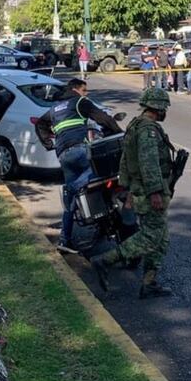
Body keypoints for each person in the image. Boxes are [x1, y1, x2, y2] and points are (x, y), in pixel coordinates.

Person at [90, 87, 175, 298]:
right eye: (164, 108)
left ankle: (149, 282)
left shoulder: (135, 125)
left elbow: (126, 161)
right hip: (150, 193)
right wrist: (155, 192)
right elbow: (149, 164)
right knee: (150, 236)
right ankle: (105, 260)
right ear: (158, 107)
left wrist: (128, 189)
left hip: (141, 190)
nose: (165, 112)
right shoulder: (147, 130)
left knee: (161, 239)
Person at [35, 78, 122, 254]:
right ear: (76, 90)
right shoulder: (79, 102)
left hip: (63, 155)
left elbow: (40, 124)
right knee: (101, 172)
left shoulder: (54, 109)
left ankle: (64, 239)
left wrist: (48, 144)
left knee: (71, 201)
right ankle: (75, 189)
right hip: (79, 149)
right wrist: (119, 133)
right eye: (84, 90)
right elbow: (103, 118)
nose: (86, 93)